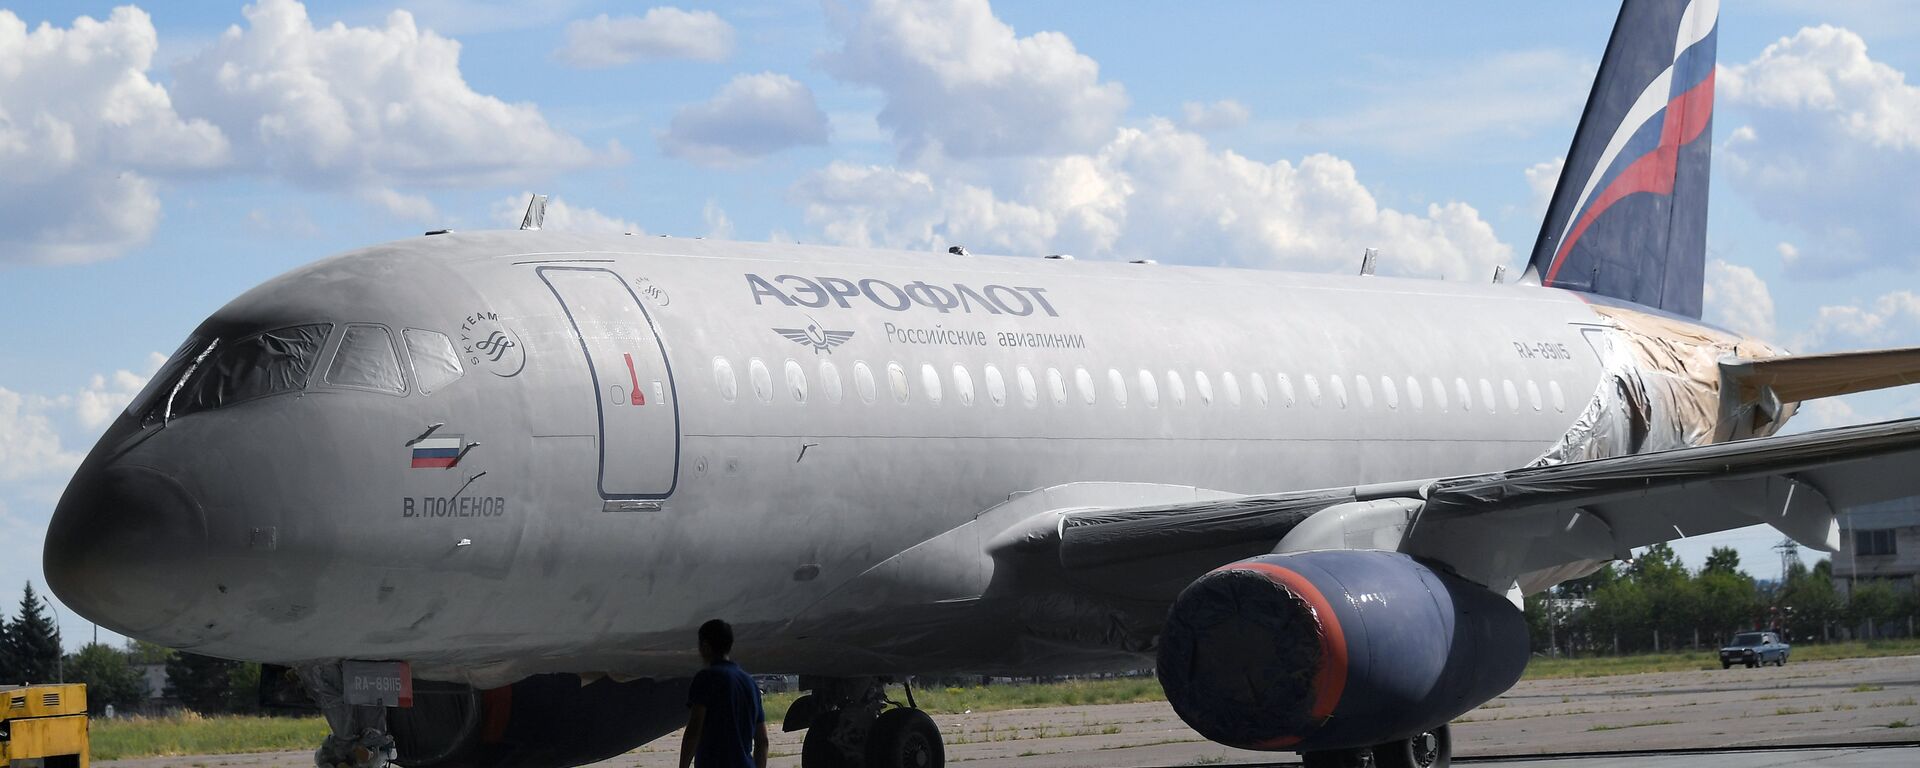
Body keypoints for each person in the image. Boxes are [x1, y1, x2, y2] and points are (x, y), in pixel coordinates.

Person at [680, 619, 769, 768]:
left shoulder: (706, 678)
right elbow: (762, 740)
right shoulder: (750, 684)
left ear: (705, 646)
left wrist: (683, 765)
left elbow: (695, 728)